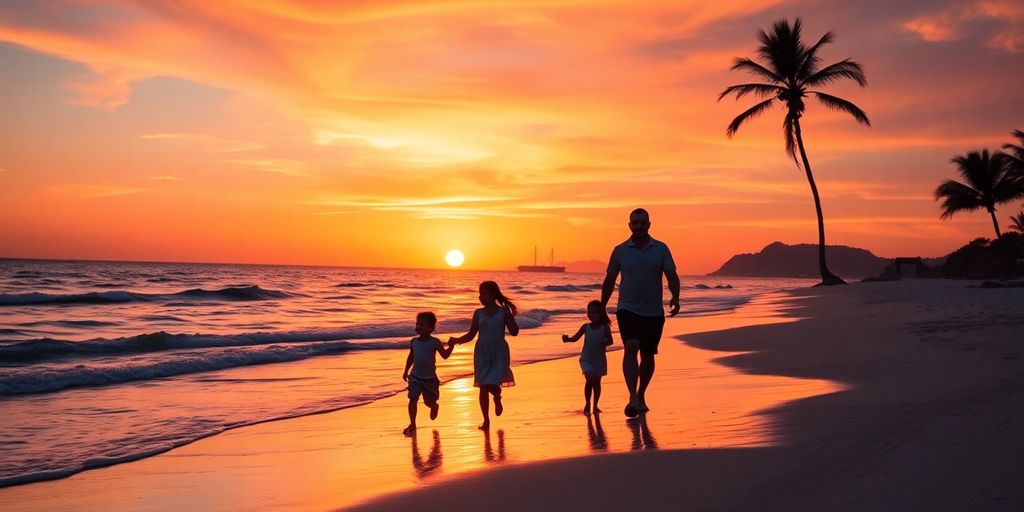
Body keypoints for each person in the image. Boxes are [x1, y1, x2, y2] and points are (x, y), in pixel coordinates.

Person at [601, 208, 680, 417]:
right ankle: (632, 398)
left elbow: (672, 275)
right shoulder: (620, 250)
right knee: (631, 346)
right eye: (635, 223)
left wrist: (675, 297)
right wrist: (602, 306)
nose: (639, 226)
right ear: (629, 225)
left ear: (649, 225)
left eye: (642, 223)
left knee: (647, 355)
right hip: (627, 308)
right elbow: (609, 280)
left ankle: (641, 394)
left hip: (654, 311)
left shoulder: (661, 249)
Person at [449, 281, 519, 430]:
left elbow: (514, 332)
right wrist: (456, 341)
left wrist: (511, 316)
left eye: (483, 294)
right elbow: (471, 334)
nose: (480, 297)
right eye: (479, 294)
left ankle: (497, 396)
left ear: (493, 295)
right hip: (482, 352)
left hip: (499, 351)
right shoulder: (478, 313)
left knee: (493, 384)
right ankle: (486, 420)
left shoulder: (503, 312)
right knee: (483, 386)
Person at [402, 311, 454, 436]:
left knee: (429, 402)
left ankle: (434, 406)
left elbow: (445, 356)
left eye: (422, 325)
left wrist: (451, 346)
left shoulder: (435, 342)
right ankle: (413, 424)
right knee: (412, 399)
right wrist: (406, 370)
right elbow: (411, 357)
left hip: (429, 379)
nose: (418, 327)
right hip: (415, 377)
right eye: (417, 324)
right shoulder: (414, 342)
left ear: (431, 328)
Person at [561, 299, 614, 415]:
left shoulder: (605, 327)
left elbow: (611, 341)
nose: (591, 315)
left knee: (597, 383)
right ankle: (587, 403)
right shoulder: (586, 327)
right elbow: (575, 338)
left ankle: (595, 405)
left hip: (599, 359)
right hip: (586, 359)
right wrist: (567, 339)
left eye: (594, 312)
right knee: (590, 380)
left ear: (601, 313)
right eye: (589, 312)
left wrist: (605, 343)